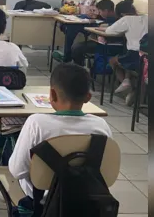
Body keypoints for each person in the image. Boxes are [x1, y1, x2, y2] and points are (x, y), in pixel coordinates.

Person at [8, 63, 112, 203]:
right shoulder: (101, 126)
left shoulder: (36, 123)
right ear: (88, 97)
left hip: (42, 199)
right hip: (86, 198)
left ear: (52, 94)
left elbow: (17, 171)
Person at [104, 0, 148, 105]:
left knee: (113, 61)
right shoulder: (146, 17)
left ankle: (128, 85)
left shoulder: (126, 19)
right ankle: (128, 82)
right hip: (147, 55)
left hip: (135, 56)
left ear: (122, 14)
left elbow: (109, 31)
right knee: (126, 52)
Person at [70, 0, 118, 65]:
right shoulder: (111, 17)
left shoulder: (115, 20)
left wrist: (102, 25)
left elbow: (106, 26)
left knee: (76, 48)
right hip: (104, 42)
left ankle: (79, 69)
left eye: (100, 11)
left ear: (106, 11)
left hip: (106, 45)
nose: (99, 13)